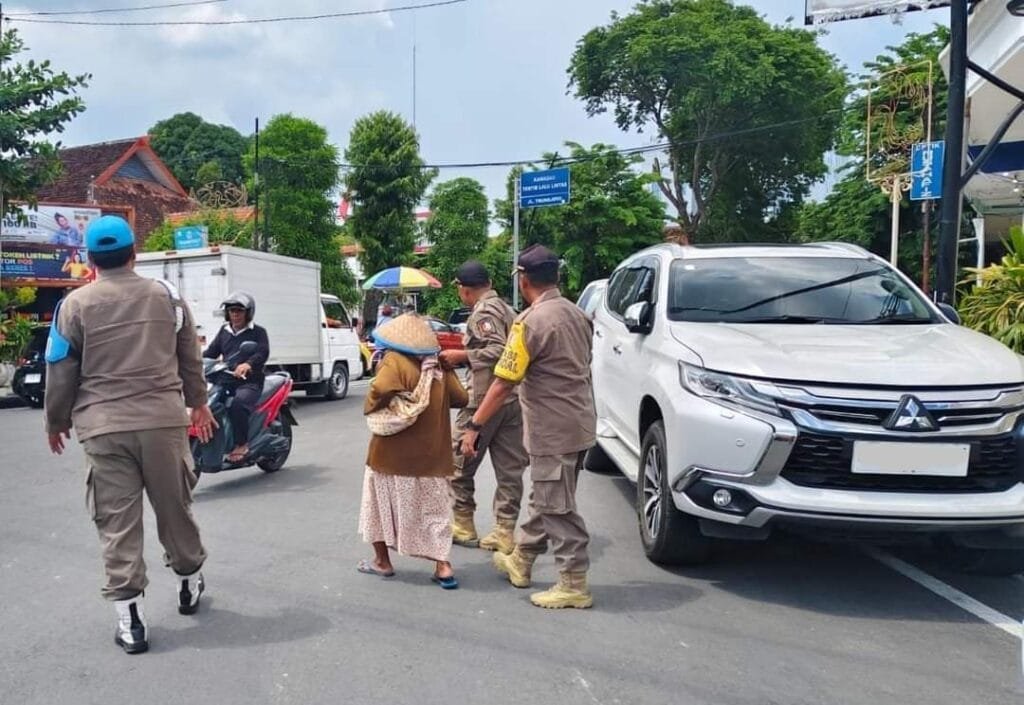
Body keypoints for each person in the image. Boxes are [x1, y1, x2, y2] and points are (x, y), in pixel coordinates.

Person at [44, 215, 217, 654]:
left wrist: (56, 421)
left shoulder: (73, 306)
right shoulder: (167, 296)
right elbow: (189, 355)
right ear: (133, 253)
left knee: (117, 522)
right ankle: (188, 582)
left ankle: (131, 621)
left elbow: (60, 370)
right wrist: (198, 402)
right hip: (162, 422)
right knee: (174, 509)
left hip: (103, 428)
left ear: (90, 259)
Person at [461, 244, 596, 610]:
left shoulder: (530, 322)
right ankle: (521, 559)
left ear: (523, 280)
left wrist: (474, 424)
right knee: (545, 497)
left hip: (552, 429)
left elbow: (503, 381)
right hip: (579, 423)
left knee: (557, 507)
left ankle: (573, 583)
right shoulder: (577, 314)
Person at [358, 314, 469, 588]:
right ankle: (443, 566)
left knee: (378, 509)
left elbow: (379, 390)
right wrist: (447, 369)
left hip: (390, 456)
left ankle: (382, 562)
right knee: (434, 513)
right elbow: (461, 398)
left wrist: (375, 401)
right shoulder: (437, 367)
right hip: (432, 457)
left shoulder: (395, 361)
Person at [439, 260, 527, 554]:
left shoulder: (484, 312)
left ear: (464, 290)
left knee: (458, 463)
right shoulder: (506, 308)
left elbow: (499, 350)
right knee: (510, 472)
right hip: (511, 399)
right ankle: (504, 531)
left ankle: (463, 525)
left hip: (483, 399)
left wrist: (463, 355)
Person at [202, 292, 270, 463]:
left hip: (249, 382)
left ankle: (241, 444)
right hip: (225, 379)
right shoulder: (224, 331)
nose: (235, 314)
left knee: (238, 405)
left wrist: (248, 364)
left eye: (239, 311)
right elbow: (211, 352)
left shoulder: (258, 332)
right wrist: (196, 362)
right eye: (232, 311)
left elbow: (262, 352)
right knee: (207, 402)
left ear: (248, 313)